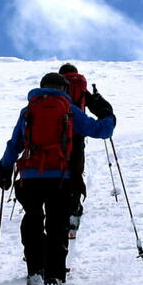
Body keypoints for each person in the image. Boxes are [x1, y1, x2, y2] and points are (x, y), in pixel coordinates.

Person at [0, 72, 116, 285]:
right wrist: (107, 112)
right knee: (57, 224)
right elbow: (101, 130)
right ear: (64, 88)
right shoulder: (69, 109)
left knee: (32, 219)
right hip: (60, 178)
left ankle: (35, 273)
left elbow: (14, 144)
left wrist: (4, 168)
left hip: (30, 178)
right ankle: (54, 279)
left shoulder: (28, 110)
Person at [58, 63, 88, 240]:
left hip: (59, 135)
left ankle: (57, 208)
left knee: (60, 169)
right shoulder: (82, 85)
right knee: (76, 171)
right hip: (78, 134)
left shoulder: (60, 84)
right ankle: (74, 210)